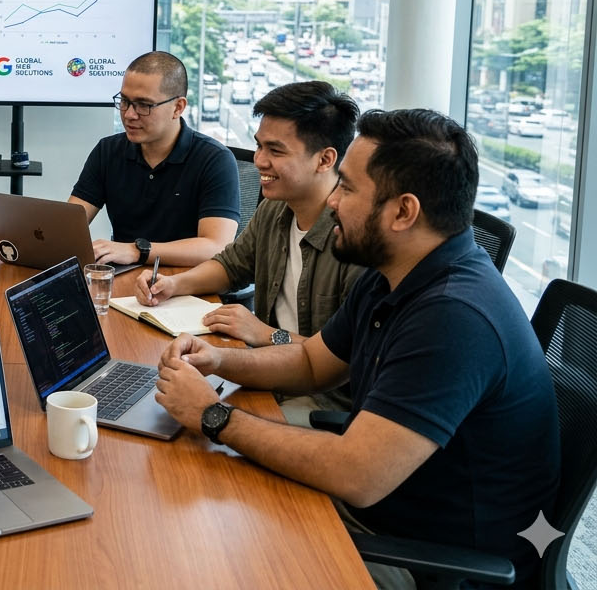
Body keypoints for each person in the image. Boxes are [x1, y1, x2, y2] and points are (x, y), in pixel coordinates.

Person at [153, 109, 559, 586]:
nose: (332, 202)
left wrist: (213, 416)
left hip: (429, 561)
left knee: (210, 558)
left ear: (403, 212)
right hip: (384, 514)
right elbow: (311, 363)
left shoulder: (454, 318)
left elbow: (356, 475)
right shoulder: (396, 271)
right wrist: (220, 360)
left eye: (346, 187)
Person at [134, 81, 364, 425]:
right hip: (264, 372)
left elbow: (342, 362)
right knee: (158, 399)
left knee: (193, 436)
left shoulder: (355, 240)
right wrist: (175, 284)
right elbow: (232, 265)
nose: (259, 161)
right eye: (258, 146)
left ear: (325, 159)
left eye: (276, 150)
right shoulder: (276, 209)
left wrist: (267, 334)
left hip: (321, 401)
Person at [69, 51, 239, 267]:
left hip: (188, 283)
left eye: (143, 105)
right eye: (124, 101)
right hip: (124, 277)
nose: (129, 114)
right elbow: (71, 226)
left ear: (178, 107)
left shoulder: (215, 160)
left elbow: (216, 247)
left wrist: (136, 250)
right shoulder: (108, 150)